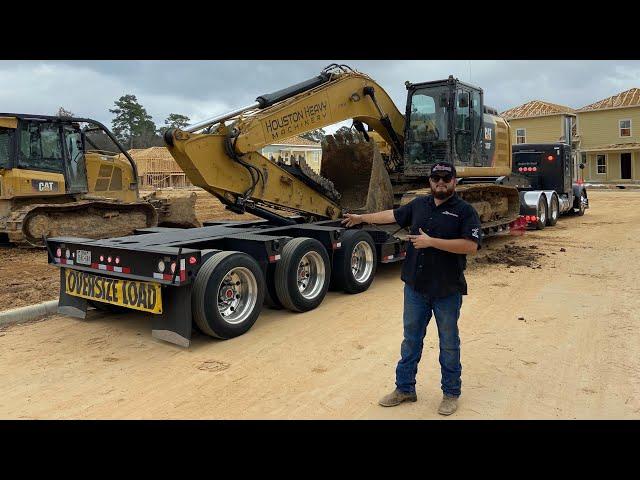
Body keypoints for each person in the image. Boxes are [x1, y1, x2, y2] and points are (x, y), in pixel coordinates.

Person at [342, 161, 481, 416]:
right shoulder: (419, 205)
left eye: (445, 178)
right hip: (416, 288)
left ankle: (451, 393)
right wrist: (362, 217)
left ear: (454, 181)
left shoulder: (465, 211)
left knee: (449, 343)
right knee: (411, 340)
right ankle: (405, 388)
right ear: (430, 181)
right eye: (435, 178)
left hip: (447, 289)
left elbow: (471, 246)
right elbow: (392, 215)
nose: (440, 182)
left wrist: (431, 242)